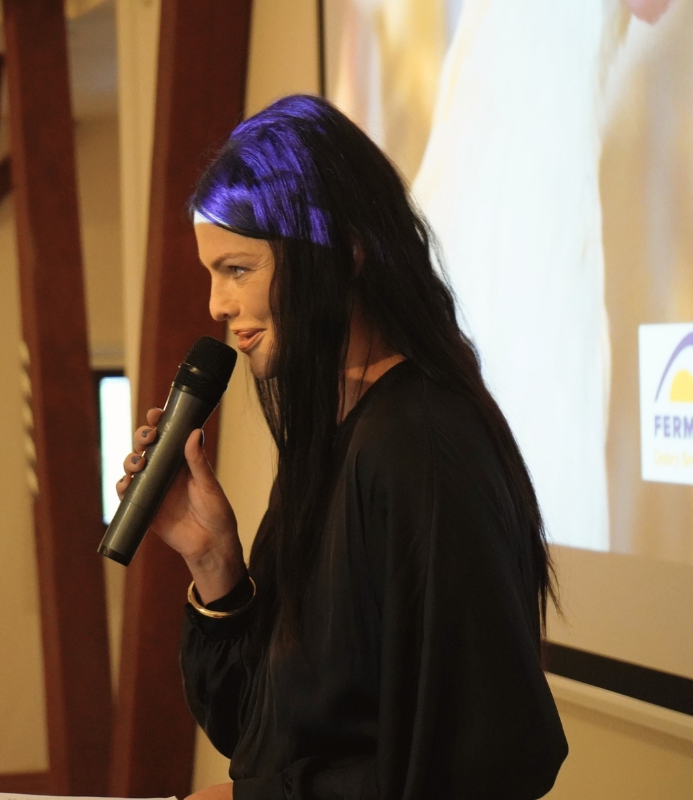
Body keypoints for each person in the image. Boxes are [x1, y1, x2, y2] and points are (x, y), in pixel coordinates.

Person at [119, 95, 568, 800]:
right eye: (213, 274)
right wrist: (213, 562)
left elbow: (480, 765)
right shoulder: (332, 440)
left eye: (237, 269)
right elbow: (261, 733)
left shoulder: (418, 444)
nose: (217, 305)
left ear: (343, 253)